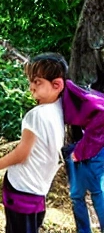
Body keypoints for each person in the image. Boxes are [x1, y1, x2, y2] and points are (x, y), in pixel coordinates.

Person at [0, 54, 66, 233]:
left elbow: (21, 154)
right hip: (39, 191)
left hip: (21, 187)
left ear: (57, 85)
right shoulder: (63, 112)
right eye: (31, 81)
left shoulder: (36, 115)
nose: (31, 87)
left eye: (37, 82)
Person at [55, 51, 104, 233]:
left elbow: (101, 115)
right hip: (79, 146)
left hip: (94, 146)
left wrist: (81, 151)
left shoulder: (74, 92)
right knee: (76, 195)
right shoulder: (62, 94)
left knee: (97, 193)